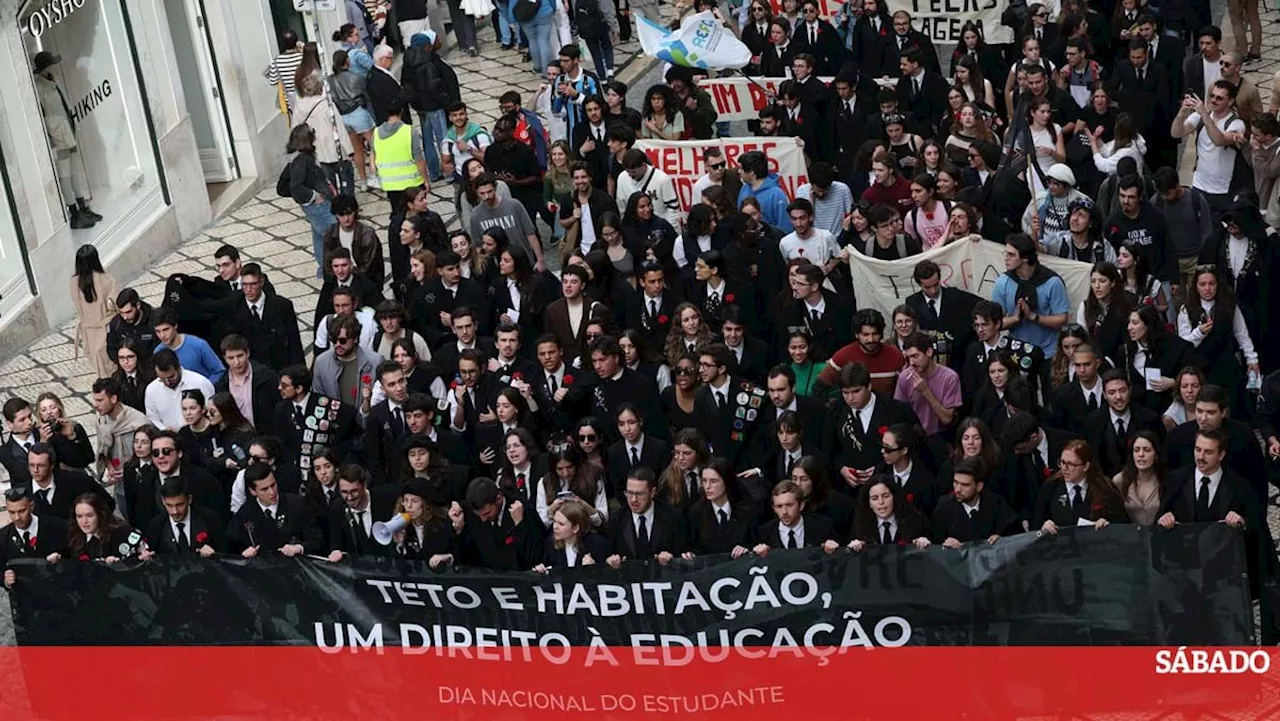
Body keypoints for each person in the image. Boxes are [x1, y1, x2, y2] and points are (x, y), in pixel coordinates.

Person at [992, 233, 1070, 358]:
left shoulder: (1052, 282)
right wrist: (1015, 319)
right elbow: (995, 323)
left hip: (1048, 351)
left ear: (1025, 258)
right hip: (1016, 352)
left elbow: (1062, 319)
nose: (1006, 258)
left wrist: (1033, 317)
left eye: (1011, 255)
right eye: (1005, 253)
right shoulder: (1003, 282)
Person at [227, 462, 324, 556]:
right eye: (264, 489)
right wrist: (244, 551)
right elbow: (233, 544)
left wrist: (299, 548)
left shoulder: (297, 504)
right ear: (253, 491)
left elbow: (317, 541)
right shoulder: (245, 513)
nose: (272, 492)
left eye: (273, 485)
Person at [402, 31, 460, 183]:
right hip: (434, 106)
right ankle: (448, 172)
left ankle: (434, 173)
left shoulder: (407, 62)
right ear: (426, 47)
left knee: (427, 141)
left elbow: (406, 85)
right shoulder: (428, 63)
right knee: (443, 139)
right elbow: (434, 86)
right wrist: (446, 100)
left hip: (420, 107)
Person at [286, 123, 338, 277]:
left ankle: (324, 269)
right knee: (333, 235)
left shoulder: (304, 156)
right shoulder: (300, 160)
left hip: (317, 204)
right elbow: (296, 187)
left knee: (319, 237)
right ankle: (332, 270)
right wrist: (315, 196)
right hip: (316, 206)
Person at [931, 456, 1018, 545]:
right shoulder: (944, 506)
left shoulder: (996, 504)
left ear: (979, 486)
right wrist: (945, 543)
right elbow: (934, 542)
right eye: (955, 482)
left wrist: (1001, 539)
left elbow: (1015, 536)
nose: (957, 489)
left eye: (965, 485)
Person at [140, 477, 226, 556]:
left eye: (180, 505)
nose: (175, 511)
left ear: (189, 499)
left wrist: (214, 555)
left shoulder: (210, 520)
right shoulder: (156, 526)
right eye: (169, 505)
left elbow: (225, 555)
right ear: (163, 501)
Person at [1, 488, 68, 589]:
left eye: (22, 511)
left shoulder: (57, 527)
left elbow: (74, 557)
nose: (17, 517)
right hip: (24, 599)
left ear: (31, 506)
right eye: (11, 512)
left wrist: (60, 561)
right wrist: (5, 579)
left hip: (58, 593)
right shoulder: (2, 536)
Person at [69, 245, 118, 379]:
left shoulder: (73, 282)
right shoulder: (107, 280)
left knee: (98, 366)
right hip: (105, 329)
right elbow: (113, 305)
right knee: (111, 367)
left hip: (88, 333)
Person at [846, 476, 930, 550]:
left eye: (886, 496)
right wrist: (854, 548)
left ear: (894, 497)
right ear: (869, 503)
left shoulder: (915, 521)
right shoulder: (860, 526)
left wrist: (923, 543)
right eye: (875, 498)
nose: (881, 502)